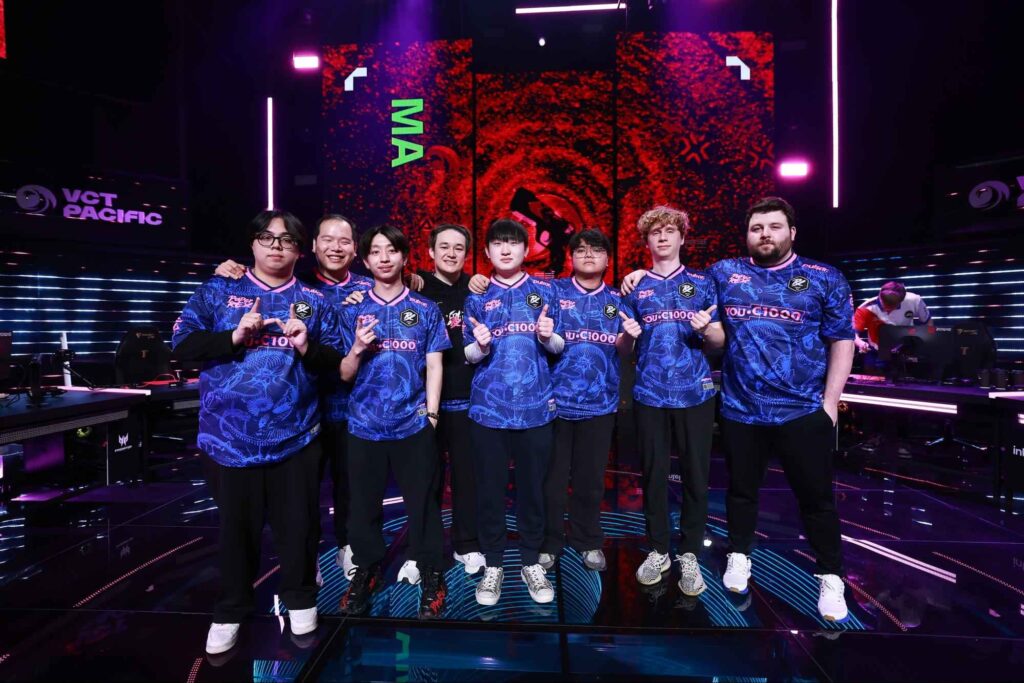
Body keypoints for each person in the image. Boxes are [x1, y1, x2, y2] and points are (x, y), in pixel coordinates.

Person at [173, 210, 344, 654]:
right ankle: (231, 608)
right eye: (267, 238)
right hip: (228, 440)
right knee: (237, 529)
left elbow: (338, 365)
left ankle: (301, 600)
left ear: (299, 251)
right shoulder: (218, 290)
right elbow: (183, 346)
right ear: (251, 244)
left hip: (297, 437)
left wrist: (306, 345)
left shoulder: (314, 300)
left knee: (299, 526)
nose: (275, 247)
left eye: (286, 241)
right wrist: (234, 336)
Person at [708, 196, 854, 622]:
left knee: (817, 501)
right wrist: (641, 272)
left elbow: (842, 340)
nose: (765, 234)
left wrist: (830, 404)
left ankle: (830, 578)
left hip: (802, 411)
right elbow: (678, 288)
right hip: (740, 409)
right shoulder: (724, 274)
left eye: (774, 227)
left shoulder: (823, 277)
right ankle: (739, 555)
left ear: (792, 232)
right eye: (757, 228)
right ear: (747, 235)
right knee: (740, 492)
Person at [216, 214, 372, 579]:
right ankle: (308, 556)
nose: (336, 247)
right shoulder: (292, 283)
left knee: (352, 487)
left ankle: (349, 548)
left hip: (354, 409)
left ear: (355, 249)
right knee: (303, 497)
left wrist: (415, 278)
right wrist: (224, 268)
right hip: (305, 413)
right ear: (312, 246)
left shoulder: (369, 287)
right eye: (328, 240)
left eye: (345, 241)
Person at [337, 224, 450, 619]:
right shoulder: (350, 308)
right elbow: (344, 373)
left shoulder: (424, 309)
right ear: (365, 260)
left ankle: (431, 571)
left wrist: (432, 413)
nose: (384, 258)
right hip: (363, 425)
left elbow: (434, 363)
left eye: (392, 251)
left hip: (413, 424)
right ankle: (366, 571)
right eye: (376, 252)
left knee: (423, 504)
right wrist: (355, 348)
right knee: (363, 505)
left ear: (404, 256)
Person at [618, 206, 724, 597]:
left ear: (682, 237)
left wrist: (707, 331)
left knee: (696, 475)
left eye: (669, 231)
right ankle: (659, 549)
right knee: (653, 474)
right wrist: (628, 335)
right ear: (646, 242)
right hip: (648, 394)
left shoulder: (703, 282)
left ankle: (690, 553)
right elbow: (623, 346)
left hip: (695, 392)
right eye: (655, 233)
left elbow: (718, 342)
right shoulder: (634, 287)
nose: (662, 238)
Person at [463, 218, 565, 606]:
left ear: (527, 250)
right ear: (487, 252)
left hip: (536, 410)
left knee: (532, 492)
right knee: (489, 491)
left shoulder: (545, 289)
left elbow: (558, 347)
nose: (506, 249)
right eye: (498, 243)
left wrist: (545, 336)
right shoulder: (477, 296)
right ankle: (493, 564)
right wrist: (483, 347)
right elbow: (469, 355)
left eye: (513, 243)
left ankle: (530, 561)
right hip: (488, 412)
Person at [537, 229, 627, 573]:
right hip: (555, 404)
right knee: (553, 481)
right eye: (581, 250)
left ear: (608, 258)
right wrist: (477, 285)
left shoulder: (620, 298)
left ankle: (587, 541)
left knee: (590, 482)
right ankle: (549, 541)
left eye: (597, 249)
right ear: (570, 257)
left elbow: (626, 347)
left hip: (600, 405)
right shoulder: (552, 291)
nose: (589, 255)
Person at [415, 224, 487, 575]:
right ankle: (422, 550)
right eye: (444, 246)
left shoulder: (477, 289)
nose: (451, 253)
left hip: (465, 400)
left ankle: (466, 545)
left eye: (459, 247)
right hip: (423, 402)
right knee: (424, 479)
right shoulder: (415, 288)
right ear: (430, 251)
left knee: (466, 478)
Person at [853, 280, 931, 353]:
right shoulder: (865, 308)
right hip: (876, 349)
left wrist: (928, 343)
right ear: (880, 295)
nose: (887, 311)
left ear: (901, 301)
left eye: (892, 308)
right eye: (884, 307)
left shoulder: (915, 300)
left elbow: (928, 322)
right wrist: (861, 344)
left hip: (906, 346)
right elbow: (853, 334)